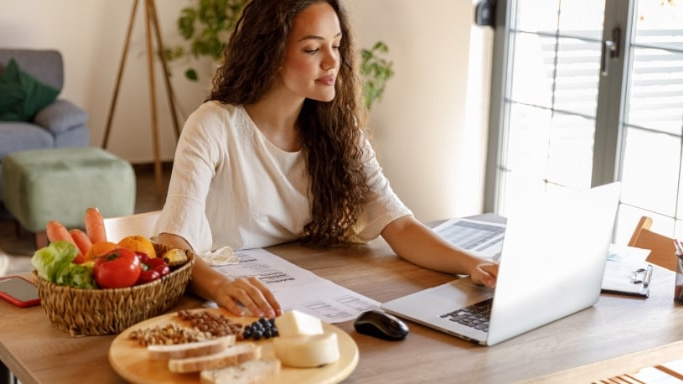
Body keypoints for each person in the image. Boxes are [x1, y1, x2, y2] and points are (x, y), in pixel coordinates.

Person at [155, 0, 498, 319]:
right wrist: (220, 286)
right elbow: (172, 244)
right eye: (312, 49)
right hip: (224, 300)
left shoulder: (337, 127)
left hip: (304, 292)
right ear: (271, 54)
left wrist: (475, 264)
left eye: (335, 45)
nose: (332, 61)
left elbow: (399, 225)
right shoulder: (214, 125)